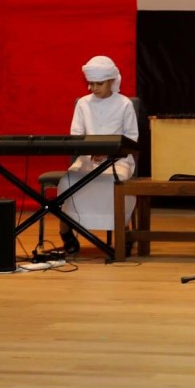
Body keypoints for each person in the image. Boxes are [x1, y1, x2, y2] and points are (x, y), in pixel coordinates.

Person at [56, 55, 138, 255]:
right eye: (91, 84)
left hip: (118, 159)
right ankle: (66, 232)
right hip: (87, 158)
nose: (94, 88)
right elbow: (76, 135)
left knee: (115, 182)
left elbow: (132, 138)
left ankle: (124, 234)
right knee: (68, 182)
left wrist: (109, 152)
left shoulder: (125, 104)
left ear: (111, 81)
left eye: (99, 84)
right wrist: (91, 150)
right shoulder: (83, 104)